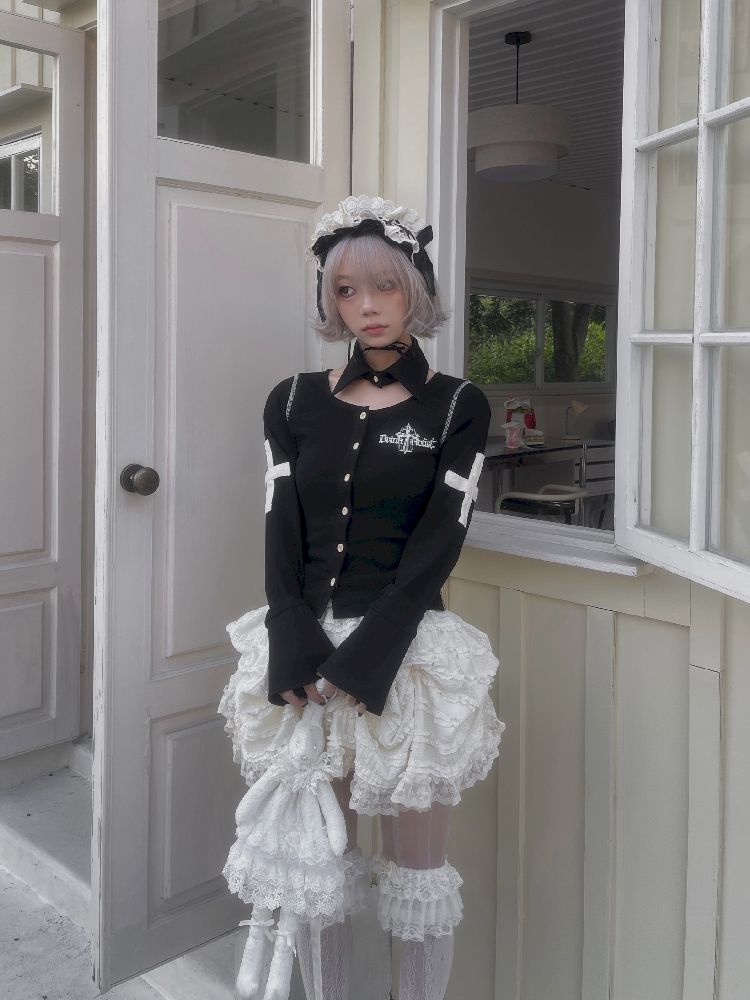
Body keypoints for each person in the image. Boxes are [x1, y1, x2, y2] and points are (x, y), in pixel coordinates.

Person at [219, 195, 505, 1000]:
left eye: (384, 286)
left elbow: (439, 541)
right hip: (305, 653)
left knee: (418, 878)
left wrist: (367, 658)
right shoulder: (291, 400)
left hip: (404, 661)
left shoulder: (457, 405)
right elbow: (280, 527)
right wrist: (292, 639)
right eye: (346, 291)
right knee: (318, 865)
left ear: (416, 289)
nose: (367, 307)